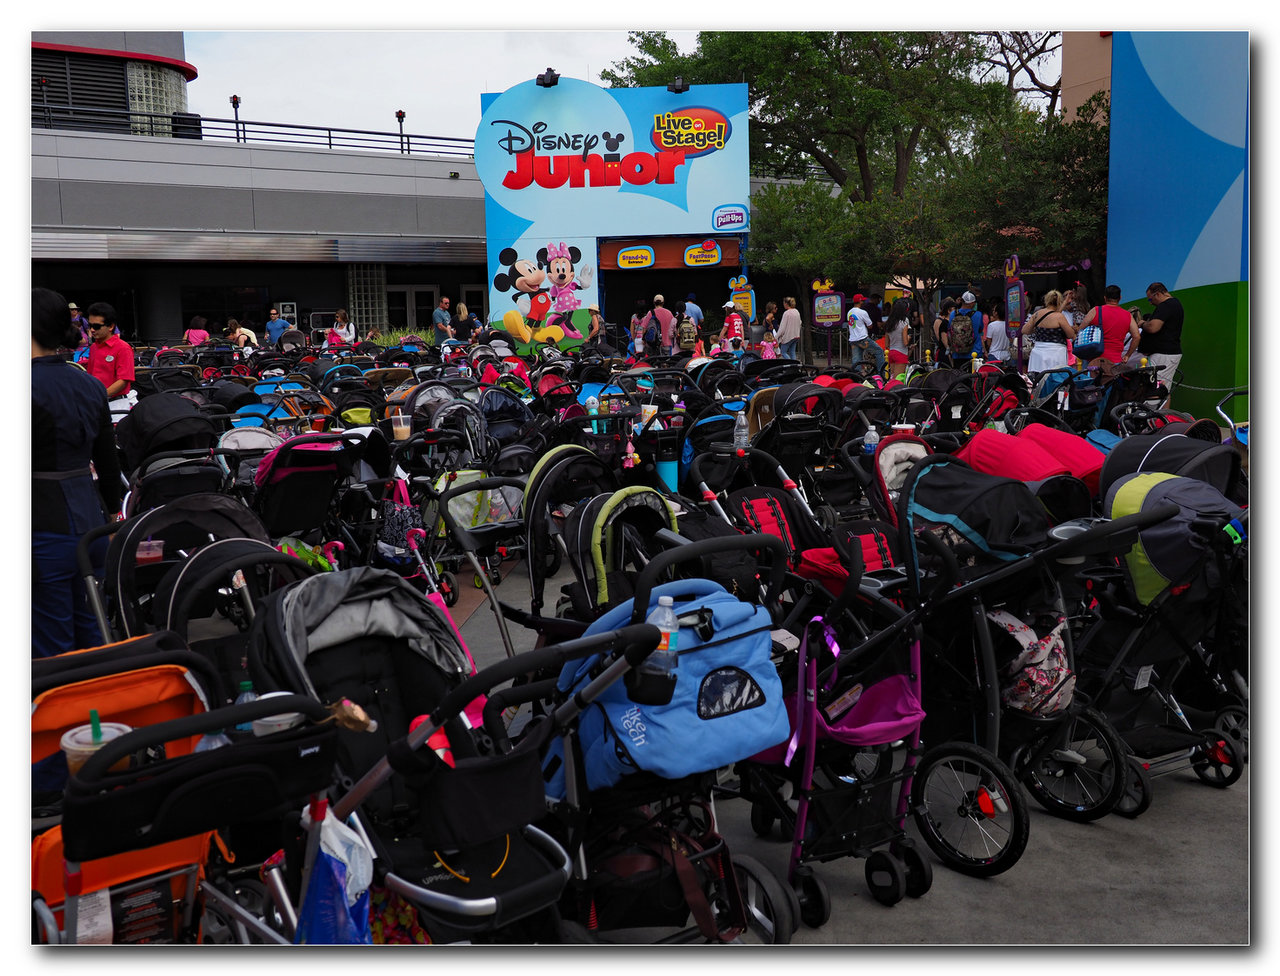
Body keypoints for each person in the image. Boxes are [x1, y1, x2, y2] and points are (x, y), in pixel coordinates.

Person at [32, 287, 123, 658]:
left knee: (52, 651)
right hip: (92, 525)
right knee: (93, 634)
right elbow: (108, 462)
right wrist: (114, 512)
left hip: (41, 530)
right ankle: (104, 714)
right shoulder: (88, 384)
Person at [1134, 281, 1184, 406]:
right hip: (1165, 353)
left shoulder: (1166, 305)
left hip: (1164, 354)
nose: (1150, 303)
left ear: (1157, 294)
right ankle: (1163, 417)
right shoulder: (1174, 305)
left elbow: (1153, 327)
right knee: (1163, 388)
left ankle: (1155, 418)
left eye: (1150, 299)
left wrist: (1142, 324)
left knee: (1156, 388)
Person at [1080, 284, 1140, 367]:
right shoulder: (1127, 315)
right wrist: (1127, 355)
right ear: (1120, 298)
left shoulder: (1096, 311)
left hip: (1094, 360)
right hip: (1115, 361)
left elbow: (1081, 330)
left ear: (1105, 298)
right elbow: (1137, 337)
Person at [84, 301, 135, 398]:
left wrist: (100, 396)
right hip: (96, 401)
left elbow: (123, 380)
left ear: (111, 326)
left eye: (96, 326)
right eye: (90, 326)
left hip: (116, 404)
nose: (92, 330)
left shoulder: (123, 348)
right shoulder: (94, 347)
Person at [1021, 289, 1076, 373]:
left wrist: (1036, 330)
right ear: (1059, 302)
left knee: (1037, 379)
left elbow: (1025, 330)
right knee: (1055, 378)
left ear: (1047, 300)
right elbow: (1071, 335)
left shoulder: (1037, 314)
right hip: (1056, 353)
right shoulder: (1059, 317)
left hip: (1038, 352)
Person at [943, 291, 984, 369]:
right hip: (974, 353)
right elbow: (980, 329)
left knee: (959, 378)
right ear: (971, 303)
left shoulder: (952, 314)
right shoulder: (978, 314)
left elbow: (949, 330)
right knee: (974, 378)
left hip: (957, 354)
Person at [846, 295, 884, 376]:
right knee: (879, 351)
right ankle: (881, 374)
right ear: (860, 302)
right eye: (862, 301)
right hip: (863, 338)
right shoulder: (862, 312)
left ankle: (857, 376)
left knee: (856, 360)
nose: (863, 302)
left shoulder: (849, 312)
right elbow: (870, 325)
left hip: (853, 339)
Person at [884, 298, 912, 368]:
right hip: (901, 353)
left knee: (892, 376)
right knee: (898, 378)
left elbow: (887, 344)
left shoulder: (889, 323)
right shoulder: (903, 323)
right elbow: (905, 343)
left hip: (891, 353)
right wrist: (909, 337)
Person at [776, 296, 802, 361]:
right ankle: (795, 367)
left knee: (783, 352)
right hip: (796, 335)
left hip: (788, 336)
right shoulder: (796, 311)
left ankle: (791, 364)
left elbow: (782, 327)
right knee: (792, 352)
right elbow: (800, 322)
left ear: (786, 304)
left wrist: (776, 336)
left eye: (784, 303)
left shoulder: (786, 313)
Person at [931, 298, 956, 363]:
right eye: (954, 310)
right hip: (945, 354)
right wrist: (949, 351)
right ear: (949, 311)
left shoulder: (953, 322)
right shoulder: (944, 323)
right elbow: (943, 339)